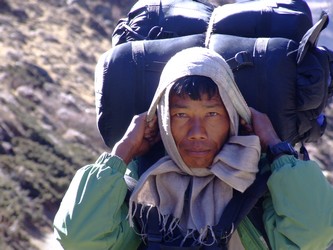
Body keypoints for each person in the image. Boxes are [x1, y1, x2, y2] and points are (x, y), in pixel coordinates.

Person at [53, 47, 333, 249]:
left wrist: (276, 147)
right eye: (181, 115)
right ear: (162, 119)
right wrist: (122, 152)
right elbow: (80, 239)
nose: (197, 133)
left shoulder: (261, 180)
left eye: (212, 114)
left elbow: (313, 236)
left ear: (233, 116)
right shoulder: (140, 187)